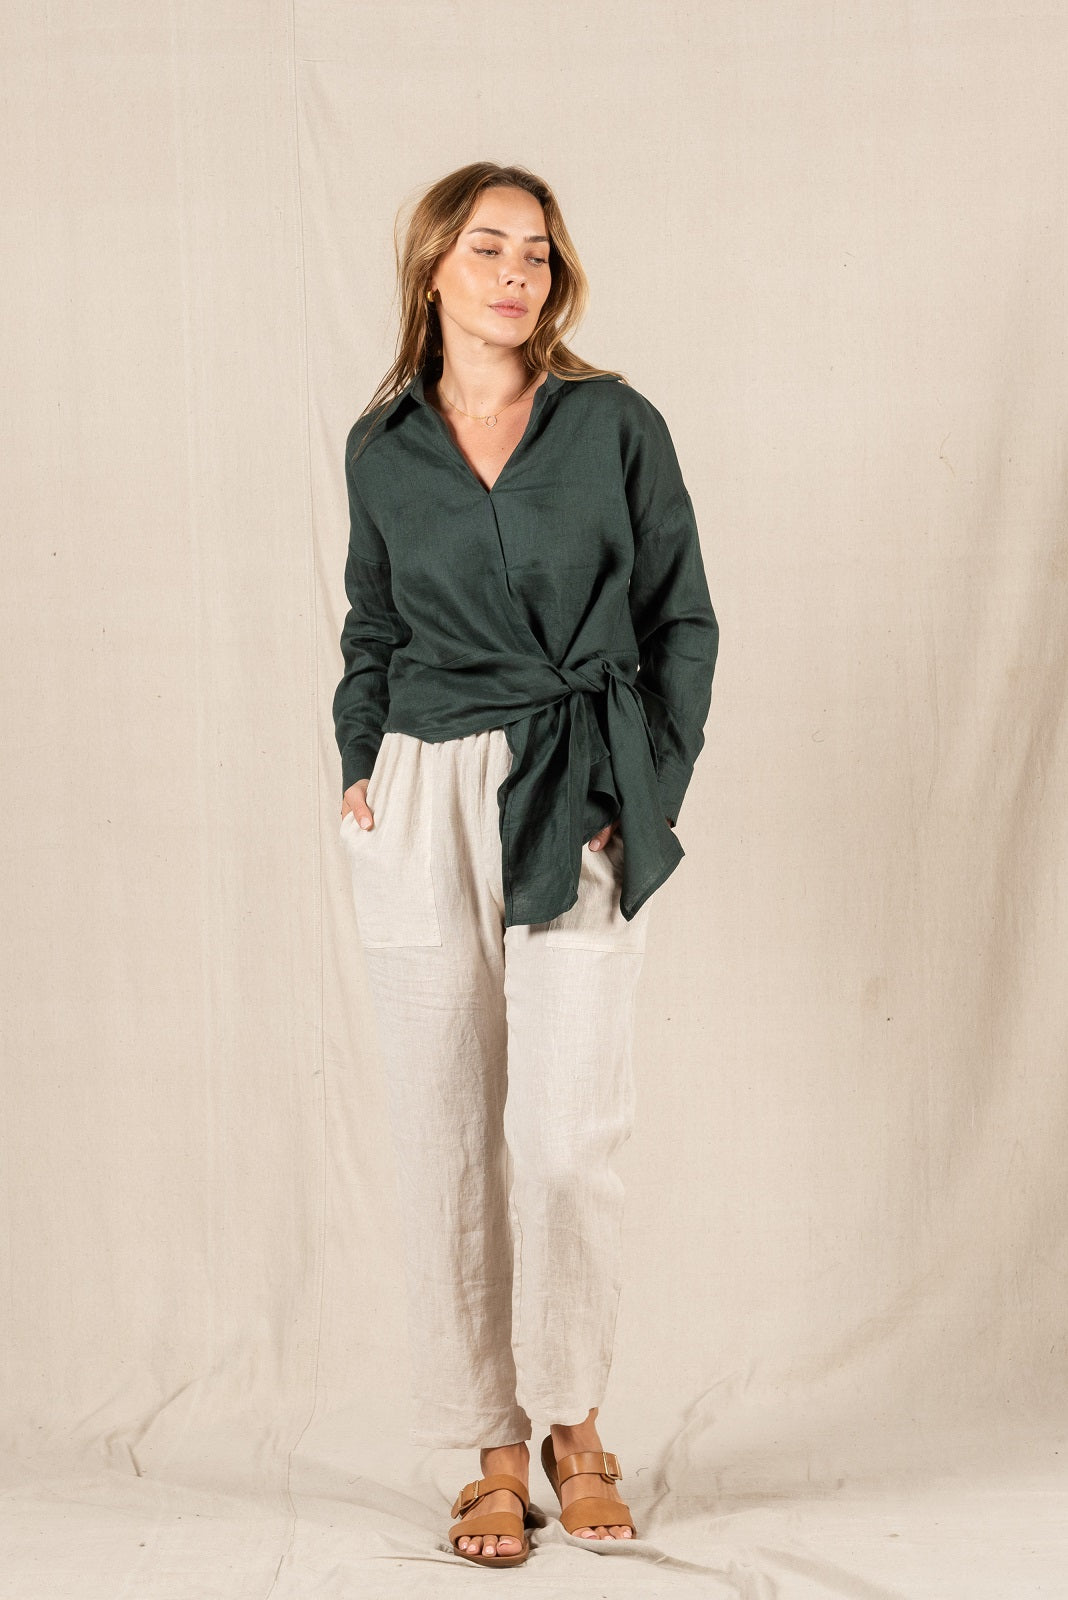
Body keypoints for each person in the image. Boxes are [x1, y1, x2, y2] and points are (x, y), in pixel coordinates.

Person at [332, 162, 719, 1567]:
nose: (516, 273)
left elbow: (681, 617)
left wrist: (641, 784)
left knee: (565, 1137)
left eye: (538, 253)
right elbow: (372, 625)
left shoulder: (615, 423)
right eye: (488, 247)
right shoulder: (383, 445)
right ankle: (491, 1453)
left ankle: (575, 1420)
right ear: (433, 266)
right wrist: (358, 764)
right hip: (423, 787)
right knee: (442, 1128)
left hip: (578, 784)